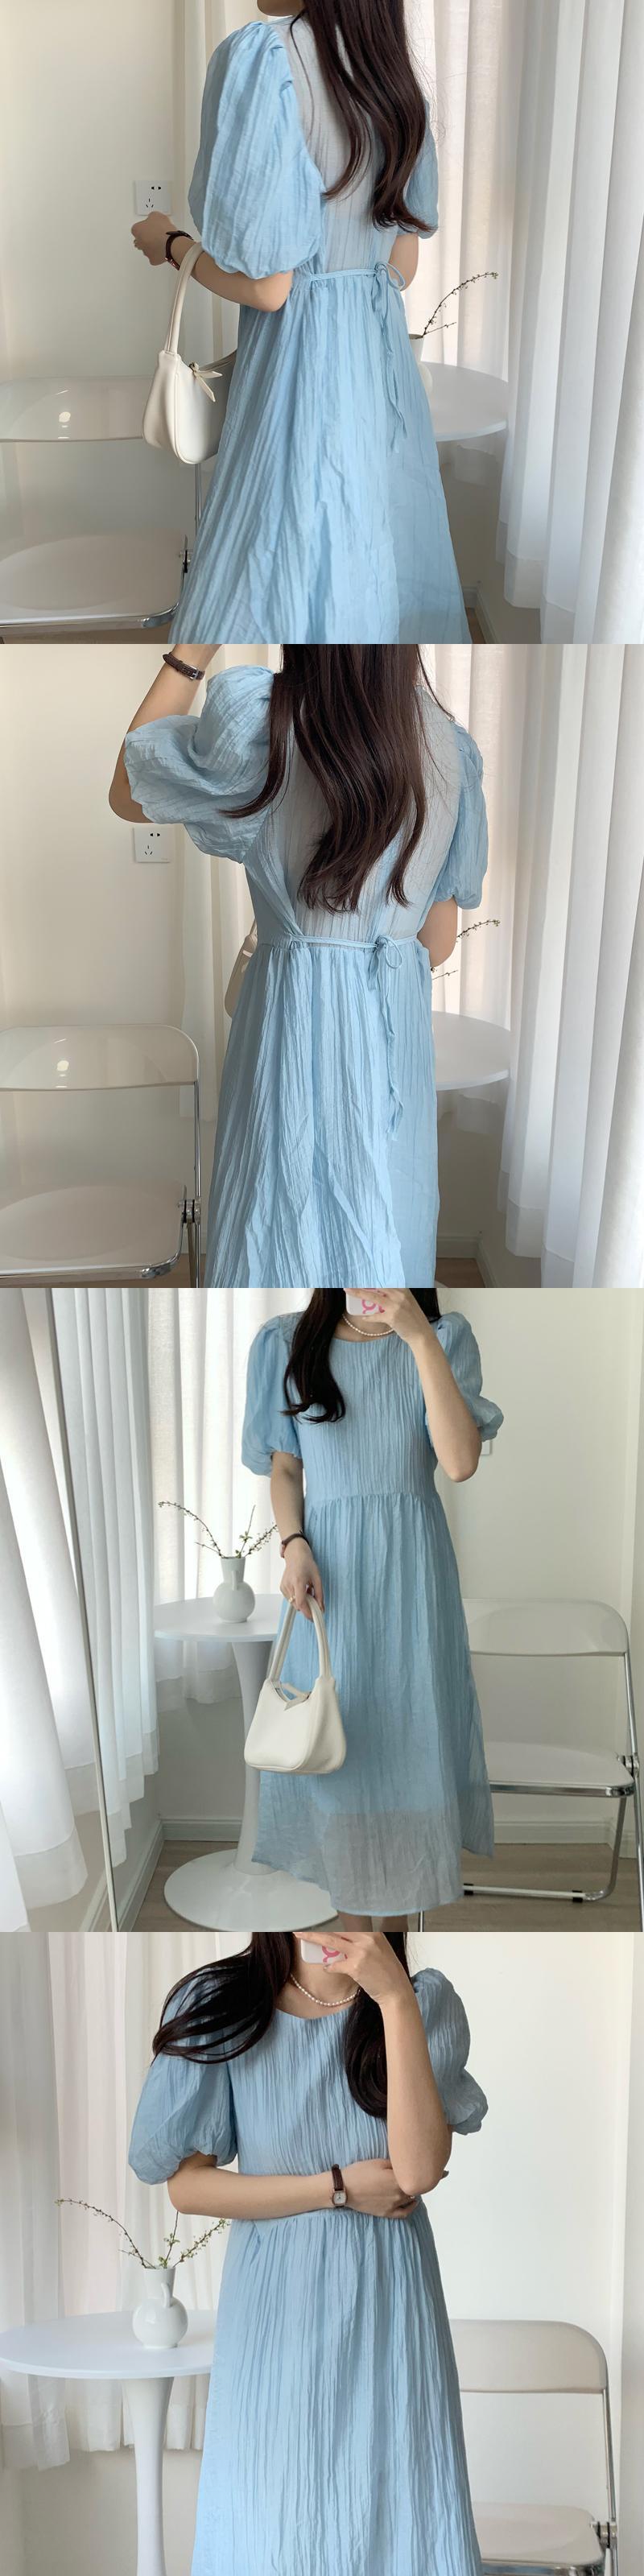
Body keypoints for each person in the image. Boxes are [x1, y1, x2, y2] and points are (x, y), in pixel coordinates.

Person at [110, 647, 488, 1286]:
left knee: (277, 1214)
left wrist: (190, 654)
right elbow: (439, 941)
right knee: (388, 1215)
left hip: (293, 1018)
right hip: (393, 1027)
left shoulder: (268, 720)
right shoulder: (450, 747)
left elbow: (129, 790)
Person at [129, 1927, 487, 2576]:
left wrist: (393, 1998)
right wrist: (337, 2187)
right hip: (277, 2311)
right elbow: (186, 2187)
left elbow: (418, 2170)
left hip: (389, 2310)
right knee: (271, 2526)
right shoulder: (224, 2002)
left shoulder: (420, 2001)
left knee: (399, 2517)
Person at [131, 3, 469, 642]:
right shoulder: (393, 79)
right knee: (367, 549)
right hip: (378, 370)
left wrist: (170, 244)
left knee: (282, 557)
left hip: (300, 371)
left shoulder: (267, 59)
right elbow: (401, 264)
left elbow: (270, 289)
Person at [241, 1289, 503, 1914]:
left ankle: (393, 1927)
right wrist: (293, 1545)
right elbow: (285, 1469)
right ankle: (358, 1920)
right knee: (341, 1744)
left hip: (413, 1577)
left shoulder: (446, 1336)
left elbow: (460, 1462)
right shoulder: (286, 1341)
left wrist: (418, 1336)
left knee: (411, 1742)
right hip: (328, 1575)